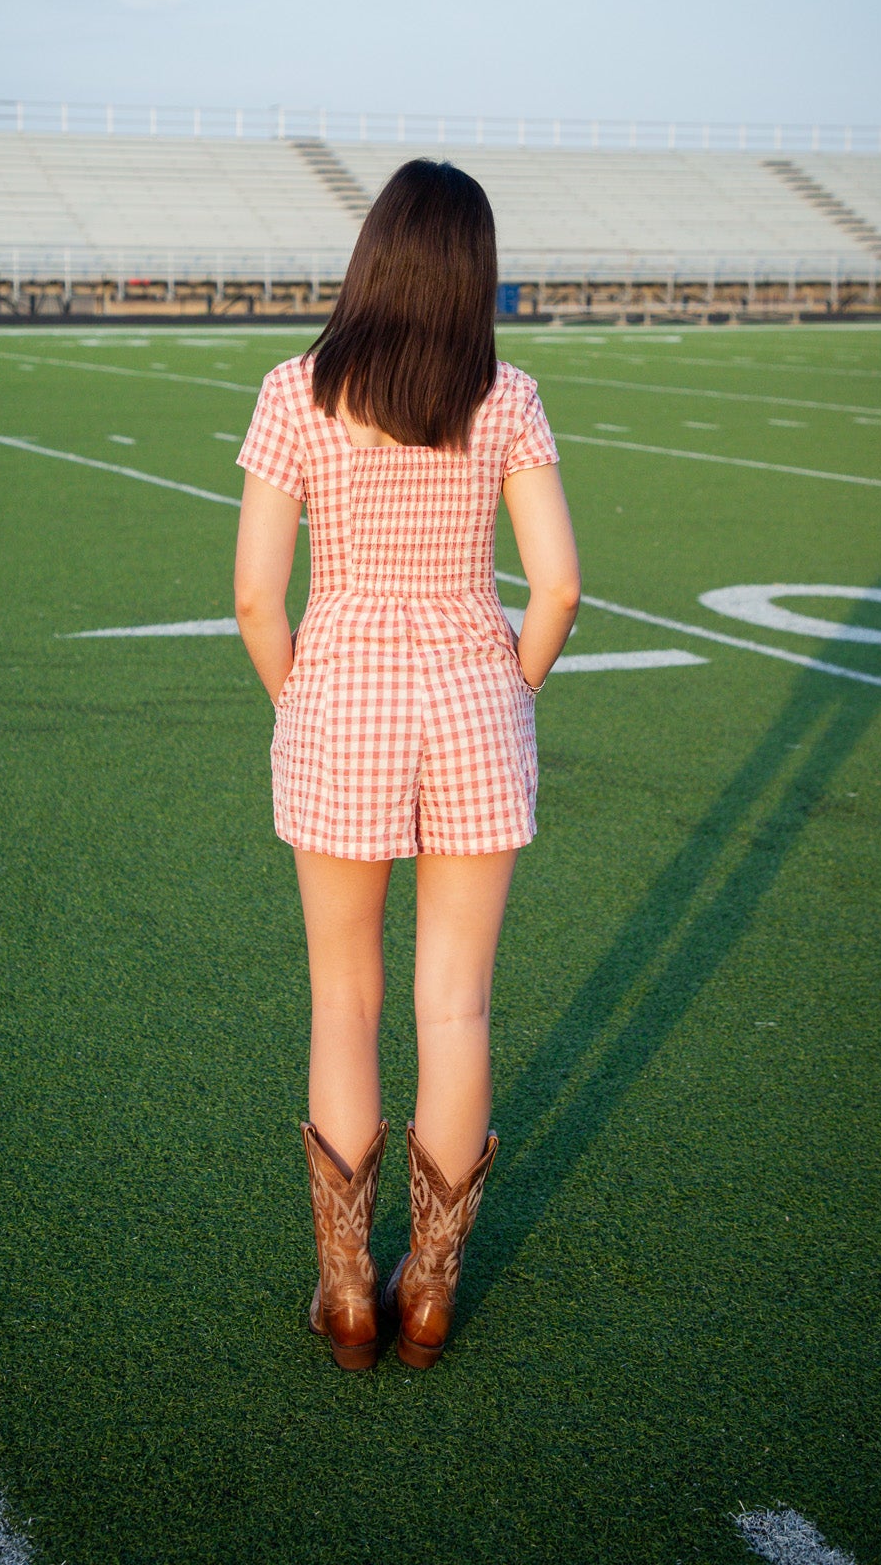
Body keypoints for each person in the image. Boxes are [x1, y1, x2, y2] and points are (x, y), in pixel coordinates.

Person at [233, 158, 580, 1371]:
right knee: (457, 1003)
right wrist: (507, 690)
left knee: (345, 997)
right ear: (477, 271)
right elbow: (560, 586)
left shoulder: (296, 390)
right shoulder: (509, 394)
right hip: (474, 694)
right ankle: (429, 1289)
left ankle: (346, 1291)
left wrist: (303, 702)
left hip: (340, 699)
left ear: (372, 253)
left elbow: (255, 596)